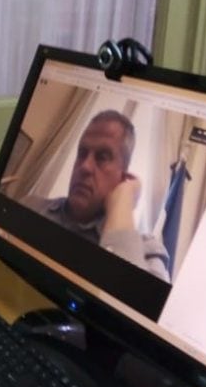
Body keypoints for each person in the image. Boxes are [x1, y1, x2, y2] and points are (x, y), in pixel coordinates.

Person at [23, 110, 170, 280]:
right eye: (82, 153)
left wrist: (125, 199)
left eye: (103, 157)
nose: (85, 166)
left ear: (123, 178)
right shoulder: (30, 206)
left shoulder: (148, 251)